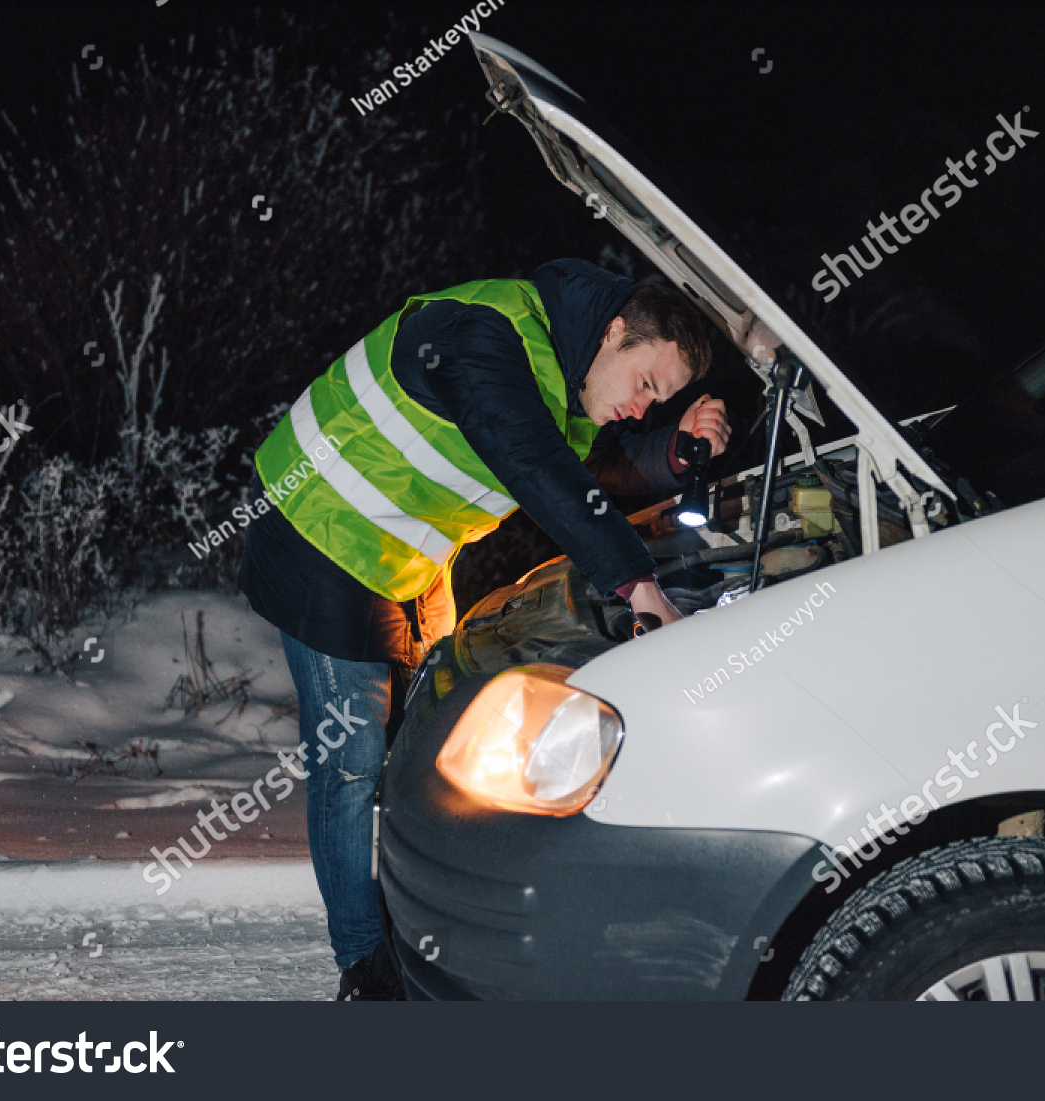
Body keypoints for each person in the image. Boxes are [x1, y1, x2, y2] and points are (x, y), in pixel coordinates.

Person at [237, 258, 730, 999]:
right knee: (351, 759)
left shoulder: (564, 370)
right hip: (319, 534)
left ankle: (423, 911)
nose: (643, 406)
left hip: (402, 553)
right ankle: (365, 967)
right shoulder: (483, 336)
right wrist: (636, 583)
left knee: (436, 726)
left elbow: (594, 470)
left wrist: (676, 451)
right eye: (647, 386)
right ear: (615, 332)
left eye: (659, 398)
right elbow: (536, 464)